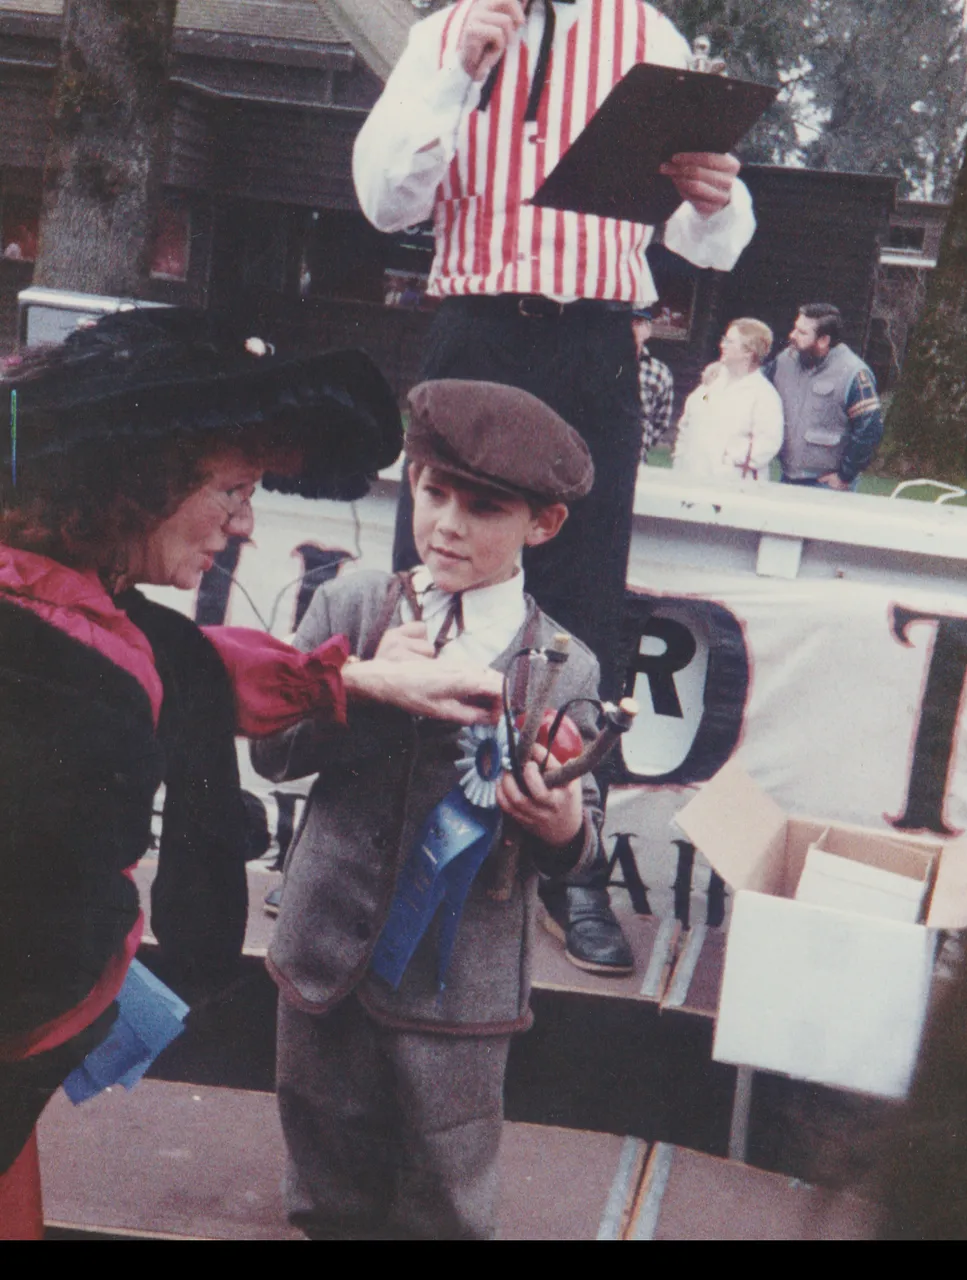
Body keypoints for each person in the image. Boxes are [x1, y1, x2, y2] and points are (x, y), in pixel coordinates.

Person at [0, 309, 503, 1238]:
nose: (244, 523)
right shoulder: (42, 662)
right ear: (137, 480)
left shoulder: (54, 587)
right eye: (232, 489)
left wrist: (361, 677)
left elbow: (180, 658)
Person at [352, 0, 757, 975]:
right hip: (476, 323)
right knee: (434, 582)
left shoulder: (649, 36)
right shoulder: (446, 31)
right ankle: (381, 842)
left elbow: (719, 244)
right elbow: (383, 200)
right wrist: (455, 70)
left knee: (578, 608)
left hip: (594, 342)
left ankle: (566, 867)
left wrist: (715, 197)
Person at [251, 379, 608, 1240]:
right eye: (432, 491)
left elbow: (581, 841)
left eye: (483, 507)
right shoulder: (352, 607)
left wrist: (557, 825)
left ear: (542, 524)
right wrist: (361, 689)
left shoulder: (564, 665)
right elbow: (270, 749)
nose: (447, 522)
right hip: (324, 949)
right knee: (323, 1166)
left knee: (447, 1183)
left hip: (460, 990)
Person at [767, 303, 884, 489]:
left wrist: (845, 475)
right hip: (787, 477)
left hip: (825, 486)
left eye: (802, 333)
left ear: (823, 340)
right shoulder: (784, 361)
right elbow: (757, 386)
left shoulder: (853, 373)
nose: (792, 336)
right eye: (795, 329)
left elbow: (870, 427)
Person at [671, 318, 783, 481]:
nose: (722, 345)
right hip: (690, 480)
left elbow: (766, 445)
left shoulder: (764, 396)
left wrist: (727, 458)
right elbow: (688, 420)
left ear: (748, 352)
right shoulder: (709, 385)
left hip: (733, 487)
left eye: (729, 342)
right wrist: (680, 458)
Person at [632, 306, 674, 461]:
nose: (631, 328)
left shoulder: (659, 372)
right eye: (626, 322)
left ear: (648, 330)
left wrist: (644, 441)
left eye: (638, 323)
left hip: (636, 457)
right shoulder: (602, 365)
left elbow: (661, 421)